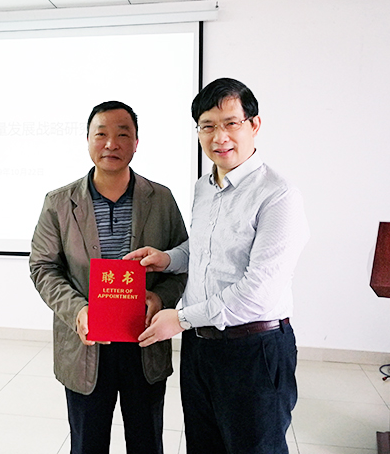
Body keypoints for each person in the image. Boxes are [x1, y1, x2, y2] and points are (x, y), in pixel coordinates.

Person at [125, 78, 309, 454]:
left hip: (253, 349)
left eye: (230, 123)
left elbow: (257, 292)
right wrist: (168, 258)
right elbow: (205, 250)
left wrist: (180, 319)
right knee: (203, 445)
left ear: (254, 125)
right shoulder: (204, 187)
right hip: (200, 348)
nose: (219, 136)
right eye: (207, 126)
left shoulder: (278, 195)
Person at [29, 100, 188, 454]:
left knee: (146, 442)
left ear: (136, 142)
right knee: (87, 444)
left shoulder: (161, 199)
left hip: (144, 341)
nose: (111, 144)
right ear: (87, 140)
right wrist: (78, 311)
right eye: (101, 134)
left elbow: (182, 264)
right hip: (86, 344)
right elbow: (43, 267)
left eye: (123, 134)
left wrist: (161, 298)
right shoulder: (59, 203)